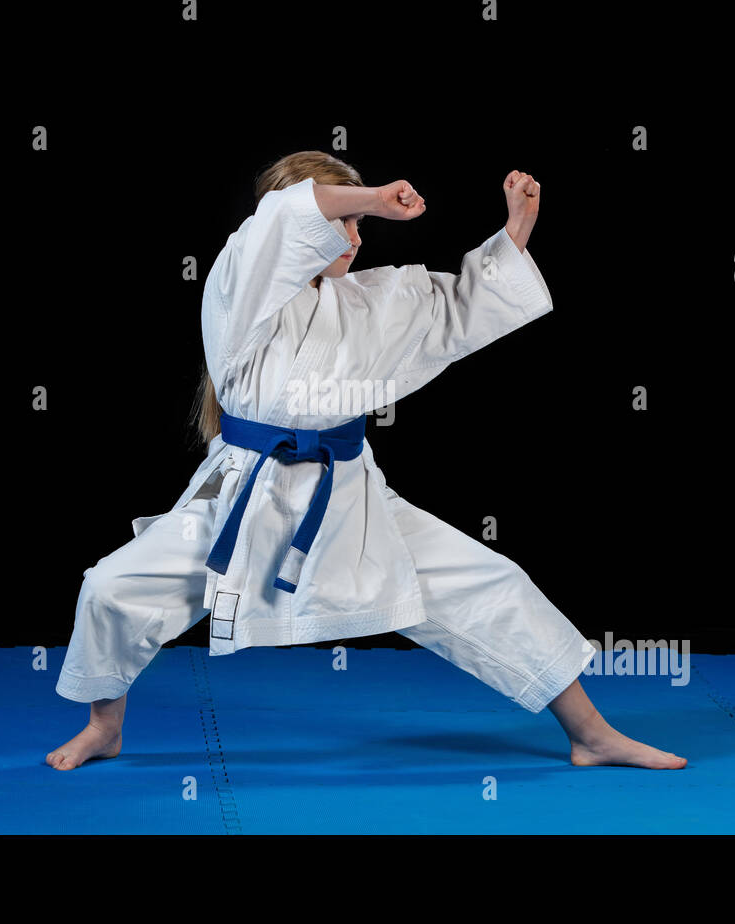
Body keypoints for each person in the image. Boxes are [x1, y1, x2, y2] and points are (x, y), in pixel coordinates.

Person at [48, 151, 686, 771]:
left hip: (349, 497)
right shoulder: (241, 286)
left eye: (359, 226)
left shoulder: (373, 300)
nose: (355, 238)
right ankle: (105, 727)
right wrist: (376, 198)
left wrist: (516, 229)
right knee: (112, 588)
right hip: (246, 495)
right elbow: (279, 220)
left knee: (490, 582)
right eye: (341, 222)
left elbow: (458, 308)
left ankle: (592, 734)